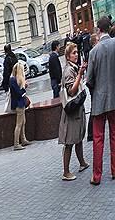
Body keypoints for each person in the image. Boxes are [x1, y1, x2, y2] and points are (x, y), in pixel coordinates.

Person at [85, 15, 115, 185]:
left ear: (98, 30)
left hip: (99, 101)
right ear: (109, 28)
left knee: (98, 138)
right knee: (114, 136)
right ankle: (114, 170)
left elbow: (89, 80)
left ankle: (97, 176)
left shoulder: (93, 52)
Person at [59, 42, 90, 181]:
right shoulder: (68, 71)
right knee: (69, 141)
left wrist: (80, 72)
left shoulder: (73, 67)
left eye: (77, 52)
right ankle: (66, 172)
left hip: (76, 109)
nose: (76, 55)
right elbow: (71, 91)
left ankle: (82, 162)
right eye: (73, 53)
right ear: (67, 56)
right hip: (71, 112)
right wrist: (80, 75)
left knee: (78, 137)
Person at [9, 60, 31, 150]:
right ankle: (16, 144)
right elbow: (19, 93)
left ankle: (23, 139)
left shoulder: (13, 79)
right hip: (19, 104)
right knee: (19, 124)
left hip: (19, 104)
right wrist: (24, 87)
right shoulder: (14, 80)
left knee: (23, 122)